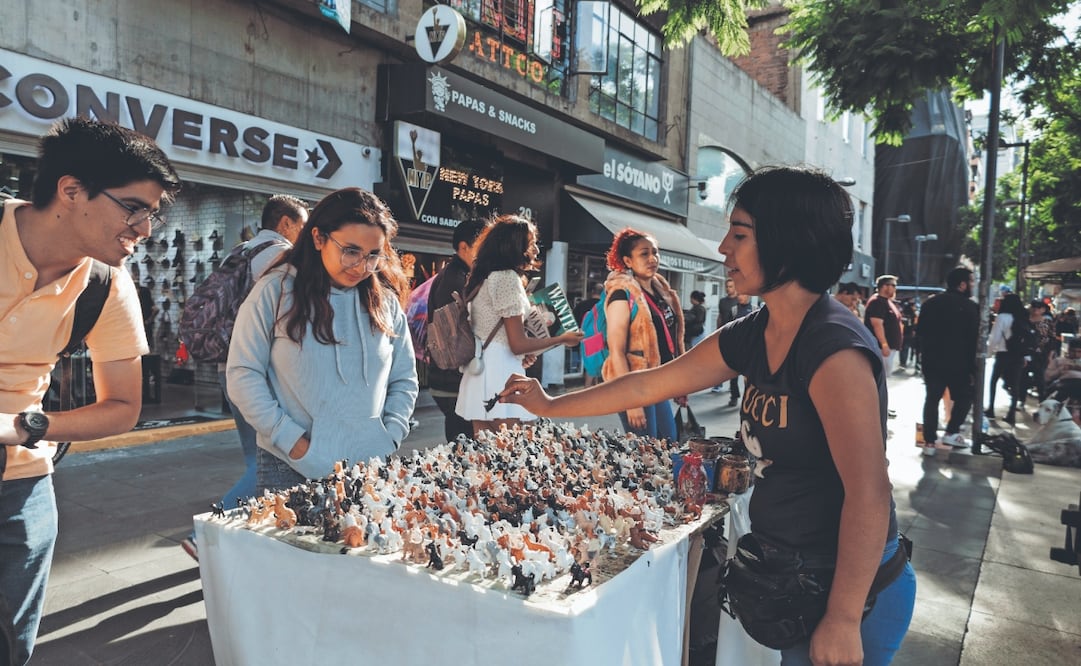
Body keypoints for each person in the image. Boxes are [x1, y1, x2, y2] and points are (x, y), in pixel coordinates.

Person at [501, 166, 915, 665]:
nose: (723, 249)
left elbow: (869, 494)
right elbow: (651, 382)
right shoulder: (755, 330)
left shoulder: (833, 351)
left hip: (851, 594)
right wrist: (548, 406)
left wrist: (845, 618)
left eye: (739, 234)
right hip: (795, 580)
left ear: (788, 242)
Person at [0, 116, 180, 665]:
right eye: (133, 208)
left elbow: (124, 406)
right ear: (71, 190)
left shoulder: (107, 285)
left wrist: (30, 426)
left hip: (20, 484)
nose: (145, 229)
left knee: (11, 644)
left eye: (153, 213)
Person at [226, 187, 418, 493]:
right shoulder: (274, 292)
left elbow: (404, 377)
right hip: (289, 466)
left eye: (373, 255)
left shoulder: (385, 302)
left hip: (370, 466)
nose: (362, 266)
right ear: (318, 238)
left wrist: (391, 433)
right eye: (351, 250)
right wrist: (292, 442)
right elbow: (242, 374)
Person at [453, 215, 582, 435]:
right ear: (514, 246)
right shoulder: (506, 278)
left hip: (482, 369)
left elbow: (506, 337)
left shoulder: (483, 276)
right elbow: (517, 343)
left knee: (487, 456)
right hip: (502, 373)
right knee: (517, 451)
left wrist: (522, 353)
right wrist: (562, 338)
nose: (536, 251)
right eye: (531, 244)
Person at [598, 228, 686, 439]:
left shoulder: (661, 292)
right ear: (628, 261)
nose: (652, 258)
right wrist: (632, 402)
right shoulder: (622, 294)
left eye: (655, 252)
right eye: (644, 253)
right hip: (635, 386)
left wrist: (681, 383)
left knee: (668, 443)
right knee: (647, 453)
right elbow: (616, 352)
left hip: (659, 383)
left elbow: (670, 341)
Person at [426, 218, 489, 442]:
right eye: (483, 245)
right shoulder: (455, 280)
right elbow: (455, 332)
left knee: (463, 440)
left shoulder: (459, 275)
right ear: (464, 247)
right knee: (462, 443)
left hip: (451, 378)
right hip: (452, 380)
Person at [915, 267, 978, 453]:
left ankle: (929, 442)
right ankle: (951, 432)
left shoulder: (930, 303)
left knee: (932, 399)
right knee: (966, 396)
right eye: (971, 281)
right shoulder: (970, 307)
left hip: (932, 360)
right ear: (962, 284)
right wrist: (972, 366)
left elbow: (920, 333)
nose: (973, 285)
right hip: (959, 362)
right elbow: (973, 338)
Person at [985, 293, 1028, 425]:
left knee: (994, 381)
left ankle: (991, 408)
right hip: (1019, 355)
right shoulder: (1023, 316)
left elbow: (995, 337)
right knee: (1015, 384)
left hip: (1003, 353)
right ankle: (1011, 414)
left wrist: (988, 353)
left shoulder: (1002, 317)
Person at [864, 275, 903, 376]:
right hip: (882, 347)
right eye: (893, 285)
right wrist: (884, 345)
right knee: (880, 377)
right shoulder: (877, 302)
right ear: (885, 286)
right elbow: (877, 325)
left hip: (890, 347)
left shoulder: (887, 302)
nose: (895, 289)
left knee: (885, 377)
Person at [573, 282, 604, 387]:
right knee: (595, 366)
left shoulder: (582, 305)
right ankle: (588, 391)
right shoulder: (604, 306)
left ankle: (589, 389)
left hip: (584, 338)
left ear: (592, 292)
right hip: (600, 339)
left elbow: (575, 321)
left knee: (590, 367)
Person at [1026, 299, 1054, 402]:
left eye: (1038, 308)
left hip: (1042, 353)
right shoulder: (1025, 320)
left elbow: (1052, 338)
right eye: (1033, 307)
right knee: (1023, 375)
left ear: (1043, 309)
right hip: (1027, 352)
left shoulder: (1047, 321)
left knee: (1039, 376)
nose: (1035, 310)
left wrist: (1050, 355)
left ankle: (1042, 399)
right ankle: (1022, 398)